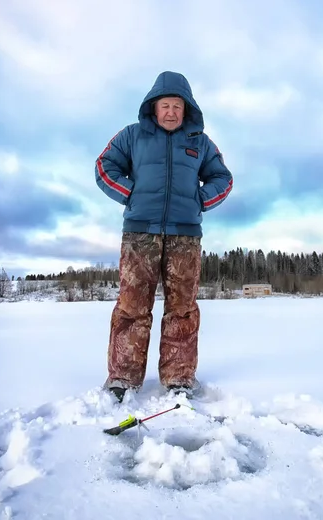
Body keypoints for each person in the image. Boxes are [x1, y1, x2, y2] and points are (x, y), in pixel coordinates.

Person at [95, 71, 233, 402]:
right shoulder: (132, 136)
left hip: (185, 237)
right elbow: (104, 167)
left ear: (187, 109)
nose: (171, 112)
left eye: (177, 106)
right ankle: (122, 378)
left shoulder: (200, 142)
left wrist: (199, 200)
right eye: (165, 105)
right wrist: (131, 194)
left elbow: (222, 179)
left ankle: (179, 377)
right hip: (139, 234)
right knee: (132, 307)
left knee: (182, 308)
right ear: (153, 108)